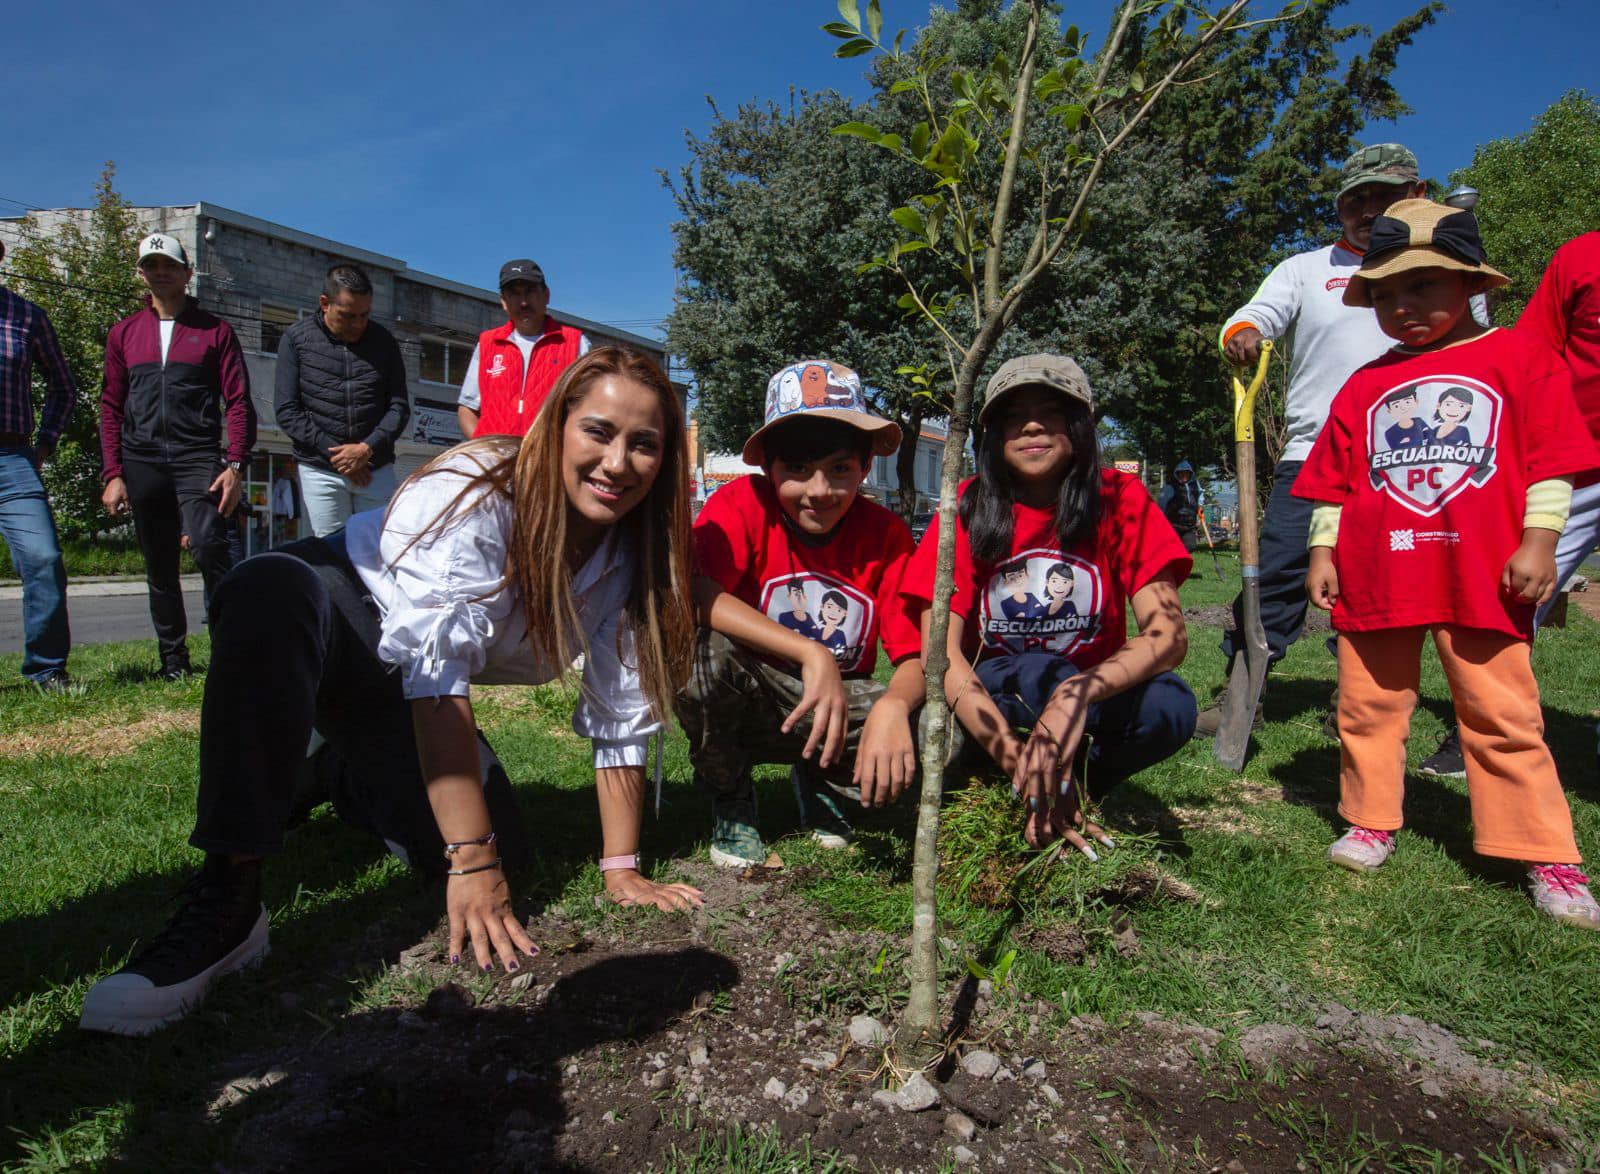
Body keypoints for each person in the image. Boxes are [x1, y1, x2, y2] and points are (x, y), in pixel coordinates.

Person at [78, 347, 703, 1035]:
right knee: (265, 590)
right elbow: (438, 682)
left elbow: (620, 713)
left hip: (390, 684)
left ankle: (331, 767)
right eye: (599, 432)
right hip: (335, 608)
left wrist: (621, 869)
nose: (617, 462)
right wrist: (471, 858)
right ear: (556, 426)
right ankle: (230, 895)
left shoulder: (629, 557)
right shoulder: (478, 490)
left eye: (644, 444)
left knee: (513, 857)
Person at [1295, 198, 1600, 930]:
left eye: (1423, 286)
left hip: (1482, 570)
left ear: (1470, 284)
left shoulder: (1521, 359)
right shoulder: (1365, 383)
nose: (1402, 306)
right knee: (1368, 707)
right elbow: (1337, 479)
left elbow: (1552, 461)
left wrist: (1540, 540)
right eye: (1387, 293)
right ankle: (1370, 817)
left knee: (1501, 709)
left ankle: (1544, 849)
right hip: (1378, 568)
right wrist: (1321, 549)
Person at [904, 355, 1196, 855]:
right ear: (991, 434)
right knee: (1041, 669)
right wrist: (1014, 756)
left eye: (1051, 412)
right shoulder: (966, 505)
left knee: (1170, 704)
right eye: (1013, 414)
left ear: (1080, 427)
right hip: (990, 698)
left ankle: (1082, 784)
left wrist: (1075, 694)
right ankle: (1022, 781)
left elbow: (1168, 635)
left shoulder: (1117, 496)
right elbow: (942, 654)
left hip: (1084, 700)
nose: (1032, 425)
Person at [1199, 144, 1429, 736]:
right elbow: (1254, 315)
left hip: (1405, 459)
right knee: (1275, 571)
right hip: (1313, 455)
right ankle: (1242, 690)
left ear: (1418, 198)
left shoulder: (1440, 272)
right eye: (1357, 200)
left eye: (1386, 197)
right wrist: (1244, 333)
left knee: (1380, 583)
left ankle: (1357, 701)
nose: (1370, 211)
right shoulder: (1306, 268)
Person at [676, 359, 922, 868]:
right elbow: (697, 592)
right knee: (697, 658)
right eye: (796, 471)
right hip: (753, 693)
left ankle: (824, 778)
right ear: (768, 468)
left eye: (839, 469)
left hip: (837, 705)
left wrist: (894, 708)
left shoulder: (888, 534)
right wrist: (810, 652)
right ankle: (731, 795)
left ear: (863, 467)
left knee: (933, 728)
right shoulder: (739, 503)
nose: (818, 490)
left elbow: (916, 655)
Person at [1422, 230, 1600, 778]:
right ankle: (1480, 727)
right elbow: (1530, 354)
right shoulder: (1582, 256)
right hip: (1573, 456)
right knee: (1510, 595)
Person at [100, 232, 255, 680]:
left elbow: (239, 400)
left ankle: (231, 649)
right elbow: (110, 405)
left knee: (209, 547)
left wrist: (236, 465)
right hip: (142, 458)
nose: (160, 273)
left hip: (196, 455)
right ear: (142, 273)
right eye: (152, 265)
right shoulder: (124, 334)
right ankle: (174, 660)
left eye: (169, 265)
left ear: (187, 273)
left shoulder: (215, 331)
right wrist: (114, 472)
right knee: (160, 562)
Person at [274, 264, 411, 536]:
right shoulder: (295, 340)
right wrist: (339, 456)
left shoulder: (384, 342)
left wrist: (365, 450)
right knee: (332, 555)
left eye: (365, 314)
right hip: (321, 471)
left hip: (375, 468)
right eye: (348, 315)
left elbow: (399, 407)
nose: (359, 324)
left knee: (376, 553)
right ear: (325, 303)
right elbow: (288, 411)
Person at [0, 240, 77, 691]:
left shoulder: (26, 316)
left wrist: (44, 445)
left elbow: (63, 387)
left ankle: (46, 670)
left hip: (12, 458)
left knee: (44, 558)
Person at [457, 260, 590, 439]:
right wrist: (484, 453)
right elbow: (467, 408)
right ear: (503, 301)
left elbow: (589, 411)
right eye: (514, 294)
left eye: (530, 291)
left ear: (546, 295)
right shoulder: (487, 343)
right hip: (496, 463)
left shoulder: (576, 343)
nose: (524, 302)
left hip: (548, 462)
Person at [1157, 461, 1204, 554]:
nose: (1184, 476)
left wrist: (1201, 505)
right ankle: (1173, 563)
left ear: (1190, 474)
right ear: (1177, 474)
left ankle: (1180, 560)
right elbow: (1162, 503)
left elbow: (1200, 495)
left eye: (1186, 473)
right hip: (1174, 523)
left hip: (1190, 523)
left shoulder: (1195, 485)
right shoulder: (1171, 486)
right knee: (1172, 547)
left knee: (1190, 546)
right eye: (1181, 473)